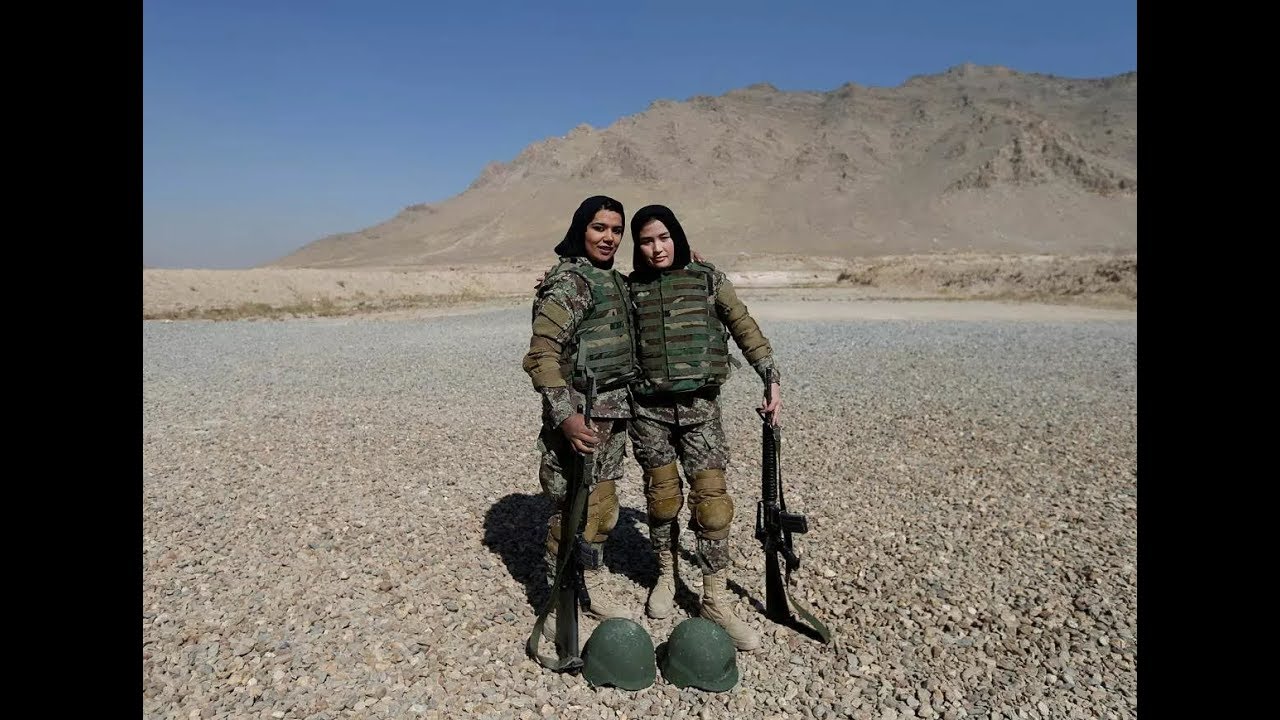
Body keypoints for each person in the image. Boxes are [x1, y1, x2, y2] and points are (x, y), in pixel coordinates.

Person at [624, 204, 781, 652]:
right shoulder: (630, 288)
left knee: (712, 504)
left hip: (701, 411)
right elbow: (591, 309)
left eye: (663, 238)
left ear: (677, 235)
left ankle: (714, 597)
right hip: (648, 412)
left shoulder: (708, 279)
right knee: (661, 499)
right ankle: (665, 577)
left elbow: (743, 324)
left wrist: (770, 377)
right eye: (646, 241)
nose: (656, 249)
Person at [521, 195, 639, 640]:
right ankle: (555, 597)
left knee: (600, 512)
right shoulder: (570, 284)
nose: (608, 237)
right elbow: (541, 357)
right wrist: (566, 417)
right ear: (580, 230)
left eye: (615, 230)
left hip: (613, 416)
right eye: (598, 228)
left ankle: (582, 588)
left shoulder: (614, 281)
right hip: (578, 420)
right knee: (567, 512)